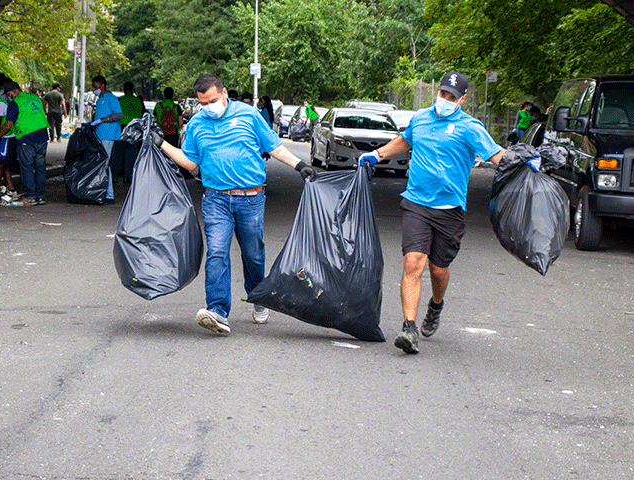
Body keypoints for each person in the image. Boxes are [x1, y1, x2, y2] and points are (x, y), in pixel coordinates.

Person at [150, 73, 317, 335]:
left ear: (224, 93)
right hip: (215, 199)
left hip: (251, 198)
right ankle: (217, 311)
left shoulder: (248, 116)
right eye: (203, 103)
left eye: (213, 101)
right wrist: (162, 145)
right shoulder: (196, 125)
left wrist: (300, 165)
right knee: (217, 252)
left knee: (253, 254)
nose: (208, 107)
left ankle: (258, 297)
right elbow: (191, 163)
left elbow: (273, 147)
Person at [358, 71, 505, 355]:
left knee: (438, 270)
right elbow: (405, 140)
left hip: (450, 209)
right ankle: (409, 328)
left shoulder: (470, 127)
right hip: (416, 203)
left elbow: (497, 155)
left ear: (462, 99)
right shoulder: (421, 118)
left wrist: (525, 162)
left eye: (452, 96)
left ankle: (436, 305)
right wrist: (378, 154)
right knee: (413, 262)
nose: (445, 100)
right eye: (442, 94)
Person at [0, 81, 50, 205]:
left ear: (14, 91)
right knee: (40, 167)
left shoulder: (15, 104)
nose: (9, 97)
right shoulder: (35, 97)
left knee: (27, 167)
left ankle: (31, 196)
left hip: (27, 139)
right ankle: (40, 196)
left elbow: (8, 125)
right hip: (42, 135)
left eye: (9, 94)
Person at [89, 75, 123, 203]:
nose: (94, 89)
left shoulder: (111, 98)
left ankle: (109, 195)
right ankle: (104, 192)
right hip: (101, 135)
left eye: (95, 86)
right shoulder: (100, 99)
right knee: (103, 164)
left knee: (105, 164)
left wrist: (103, 120)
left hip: (108, 136)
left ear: (102, 85)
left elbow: (119, 114)